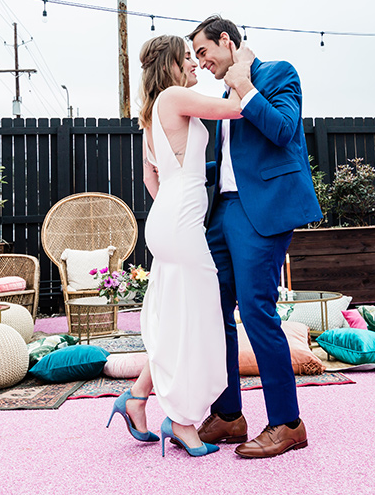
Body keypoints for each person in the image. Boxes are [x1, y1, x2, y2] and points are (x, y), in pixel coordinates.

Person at [106, 34, 253, 457]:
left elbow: (153, 180)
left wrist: (178, 204)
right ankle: (183, 422)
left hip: (169, 217)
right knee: (199, 320)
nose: (194, 64)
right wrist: (240, 68)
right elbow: (236, 109)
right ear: (170, 64)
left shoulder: (151, 113)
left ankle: (136, 398)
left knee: (178, 318)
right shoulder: (173, 97)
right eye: (188, 58)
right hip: (180, 223)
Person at [188, 15, 322, 459]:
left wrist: (246, 87)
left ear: (226, 41)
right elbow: (232, 161)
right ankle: (229, 415)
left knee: (257, 310)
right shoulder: (226, 92)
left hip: (259, 213)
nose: (201, 62)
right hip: (223, 212)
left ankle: (288, 423)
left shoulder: (277, 73)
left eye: (205, 52)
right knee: (213, 309)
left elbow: (283, 130)